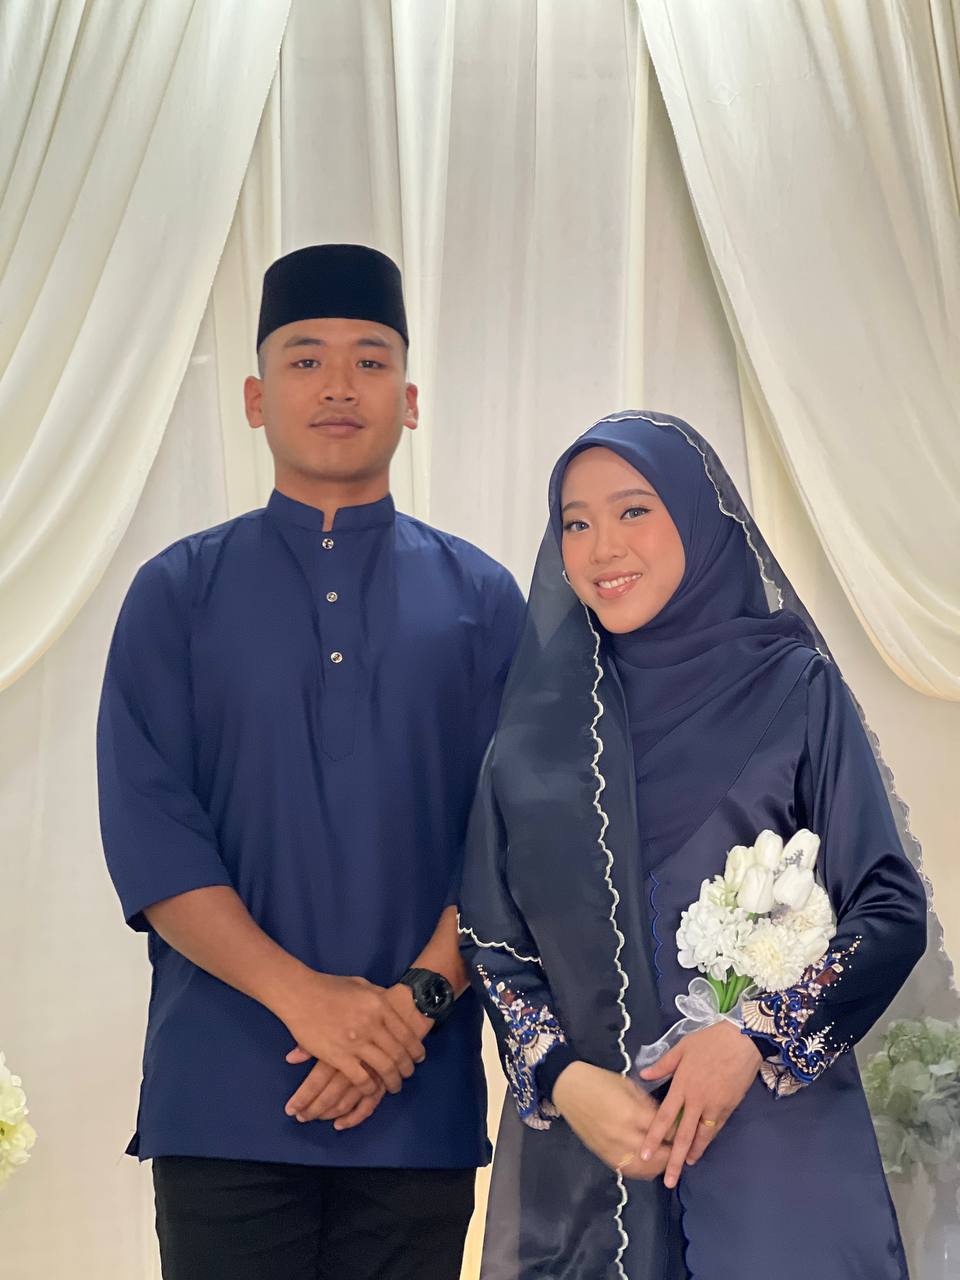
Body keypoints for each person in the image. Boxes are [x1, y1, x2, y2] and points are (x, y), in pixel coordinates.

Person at [97, 244, 525, 1280]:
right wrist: (311, 1001)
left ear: (410, 402)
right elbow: (153, 838)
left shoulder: (483, 600)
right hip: (224, 1096)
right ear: (255, 399)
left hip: (415, 1095)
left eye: (370, 361)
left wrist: (410, 1009)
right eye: (305, 360)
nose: (339, 385)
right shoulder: (175, 594)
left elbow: (514, 837)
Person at [458, 411, 927, 1278]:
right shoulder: (533, 737)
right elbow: (492, 942)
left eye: (634, 510)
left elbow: (890, 907)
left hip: (776, 1160)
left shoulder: (793, 689)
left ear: (698, 516)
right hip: (597, 1168)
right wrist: (562, 1078)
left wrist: (752, 1035)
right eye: (575, 523)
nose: (603, 548)